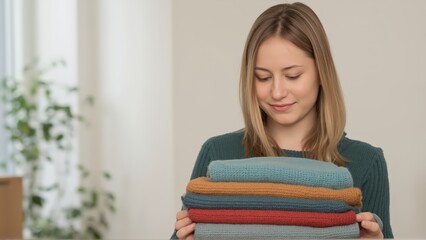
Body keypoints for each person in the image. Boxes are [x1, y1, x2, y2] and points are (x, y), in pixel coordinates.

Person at [172, 2, 393, 239]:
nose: (277, 92)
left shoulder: (366, 161)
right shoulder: (218, 154)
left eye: (292, 75)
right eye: (263, 77)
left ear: (321, 73)